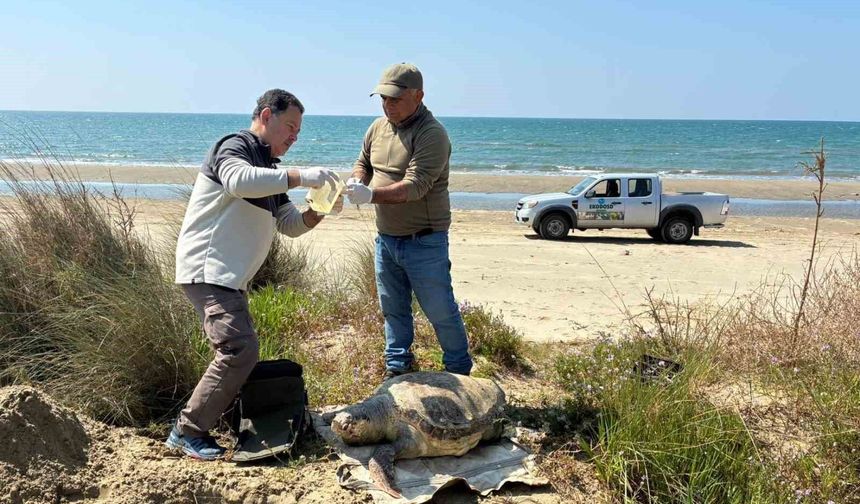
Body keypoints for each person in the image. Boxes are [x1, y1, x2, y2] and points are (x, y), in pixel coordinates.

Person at [167, 89, 341, 460]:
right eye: (290, 127)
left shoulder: (270, 172)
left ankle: (217, 423)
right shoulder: (235, 146)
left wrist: (319, 208)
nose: (294, 136)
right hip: (207, 269)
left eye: (298, 131)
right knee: (239, 349)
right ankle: (187, 431)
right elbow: (237, 181)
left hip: (229, 276)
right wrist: (303, 176)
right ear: (266, 115)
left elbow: (290, 225)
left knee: (237, 349)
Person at [346, 63, 473, 380]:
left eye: (395, 99)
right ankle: (397, 367)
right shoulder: (378, 127)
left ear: (418, 96)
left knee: (440, 311)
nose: (388, 105)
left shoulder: (433, 134)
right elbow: (362, 162)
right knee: (393, 309)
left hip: (425, 241)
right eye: (383, 99)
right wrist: (356, 182)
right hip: (386, 238)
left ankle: (458, 371)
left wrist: (370, 196)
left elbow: (415, 186)